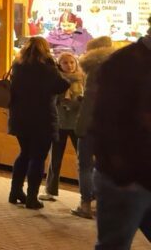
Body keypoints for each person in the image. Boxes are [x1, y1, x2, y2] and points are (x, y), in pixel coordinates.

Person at [92, 18, 151, 248]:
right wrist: (121, 174)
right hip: (128, 180)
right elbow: (105, 123)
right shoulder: (124, 63)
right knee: (114, 244)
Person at [7, 36, 70, 210]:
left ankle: (15, 192)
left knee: (24, 153)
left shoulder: (18, 65)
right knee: (38, 157)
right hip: (42, 119)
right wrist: (56, 66)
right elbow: (61, 85)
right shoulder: (47, 68)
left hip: (19, 118)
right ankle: (32, 198)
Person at [73, 36, 114, 219]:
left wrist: (81, 126)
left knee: (85, 165)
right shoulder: (120, 67)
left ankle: (85, 204)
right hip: (111, 124)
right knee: (104, 164)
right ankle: (104, 203)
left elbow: (90, 100)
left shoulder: (92, 68)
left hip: (92, 123)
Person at [40, 51, 84, 202]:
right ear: (59, 64)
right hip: (60, 122)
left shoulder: (81, 79)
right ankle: (50, 190)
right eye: (65, 62)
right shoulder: (56, 79)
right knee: (56, 158)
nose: (69, 65)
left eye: (71, 62)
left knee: (83, 158)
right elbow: (52, 98)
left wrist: (79, 102)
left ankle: (87, 193)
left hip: (77, 123)